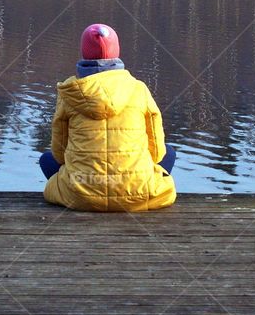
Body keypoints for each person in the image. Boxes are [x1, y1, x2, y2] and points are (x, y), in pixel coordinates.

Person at [40, 23, 177, 212]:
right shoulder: (139, 89)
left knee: (46, 159)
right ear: (117, 51)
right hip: (138, 193)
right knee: (170, 153)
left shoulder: (69, 93)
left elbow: (59, 153)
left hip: (81, 193)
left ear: (84, 53)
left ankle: (87, 193)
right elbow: (157, 152)